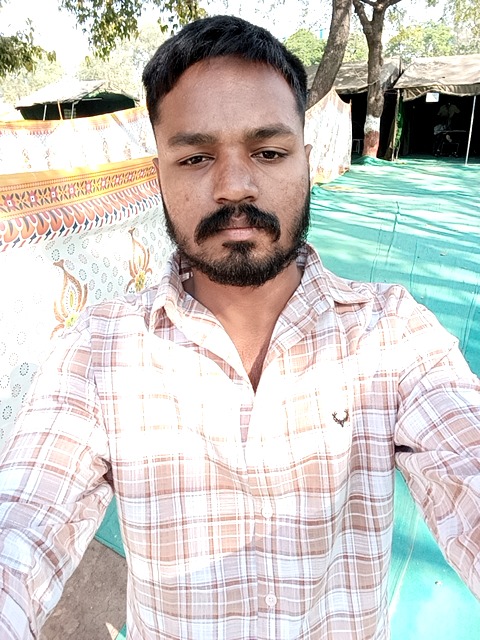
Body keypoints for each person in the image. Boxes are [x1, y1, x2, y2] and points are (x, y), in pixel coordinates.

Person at [0, 15, 479, 640]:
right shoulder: (96, 353)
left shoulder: (392, 334)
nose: (234, 187)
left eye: (269, 152)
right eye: (196, 157)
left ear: (306, 163)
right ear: (159, 175)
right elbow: (21, 523)